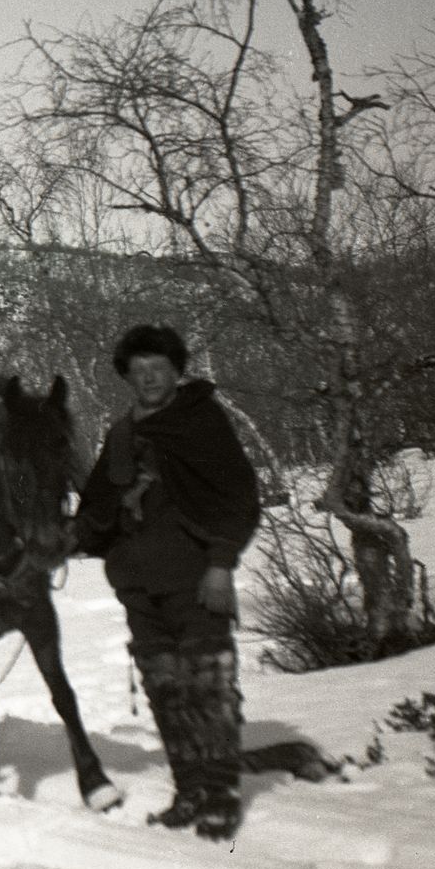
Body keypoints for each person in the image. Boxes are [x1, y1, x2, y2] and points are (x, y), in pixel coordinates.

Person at [73, 323, 261, 842]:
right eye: (139, 371)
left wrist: (221, 562)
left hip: (196, 579)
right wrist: (61, 541)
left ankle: (220, 796)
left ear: (177, 372)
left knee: (209, 688)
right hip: (138, 586)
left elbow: (240, 498)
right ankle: (190, 791)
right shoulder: (122, 433)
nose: (149, 378)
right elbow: (98, 508)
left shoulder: (201, 422)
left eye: (159, 368)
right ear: (127, 377)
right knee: (166, 690)